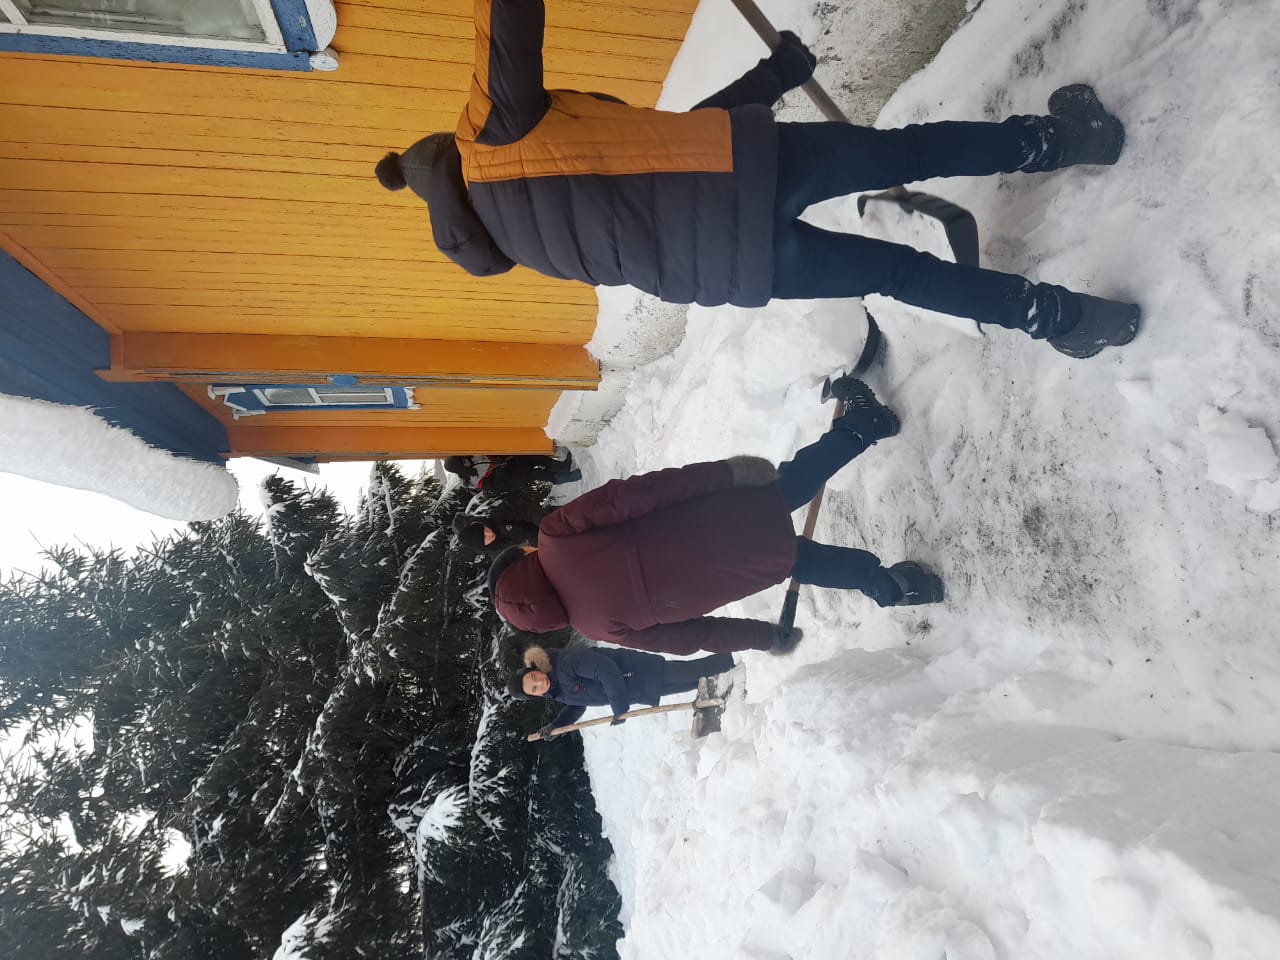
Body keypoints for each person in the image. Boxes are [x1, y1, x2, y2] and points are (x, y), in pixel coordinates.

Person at [374, 4, 1139, 360]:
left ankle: (1062, 318)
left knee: (898, 274)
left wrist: (774, 77)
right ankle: (1064, 139)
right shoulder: (490, 141)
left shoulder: (519, 248)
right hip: (744, 171)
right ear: (448, 155)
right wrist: (773, 80)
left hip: (733, 268)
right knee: (907, 152)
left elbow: (660, 155)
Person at [487, 378, 942, 658]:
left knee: (797, 559)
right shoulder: (555, 536)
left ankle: (895, 587)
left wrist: (765, 638)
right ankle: (866, 424)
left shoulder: (597, 628)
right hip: (712, 521)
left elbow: (691, 637)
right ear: (524, 560)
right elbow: (639, 494)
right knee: (787, 487)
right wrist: (729, 472)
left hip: (738, 572)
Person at [509, 643, 735, 740]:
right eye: (534, 689)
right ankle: (730, 673)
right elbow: (577, 704)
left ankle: (735, 658)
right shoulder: (557, 689)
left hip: (638, 671)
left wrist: (619, 709)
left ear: (535, 669)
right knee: (690, 682)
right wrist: (556, 726)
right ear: (535, 695)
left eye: (534, 677)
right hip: (635, 689)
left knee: (692, 671)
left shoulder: (565, 663)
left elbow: (605, 670)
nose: (539, 683)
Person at [442, 453, 581, 492]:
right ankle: (568, 477)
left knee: (535, 458)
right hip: (512, 479)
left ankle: (563, 467)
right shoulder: (475, 481)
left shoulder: (474, 457)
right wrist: (500, 469)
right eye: (463, 463)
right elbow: (498, 485)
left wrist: (500, 458)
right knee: (537, 473)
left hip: (512, 464)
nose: (466, 461)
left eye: (464, 459)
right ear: (461, 469)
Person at [451, 507, 541, 555]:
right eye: (485, 537)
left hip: (542, 529)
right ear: (482, 545)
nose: (490, 534)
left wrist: (544, 524)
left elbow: (527, 511)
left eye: (485, 530)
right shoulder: (499, 555)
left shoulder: (497, 516)